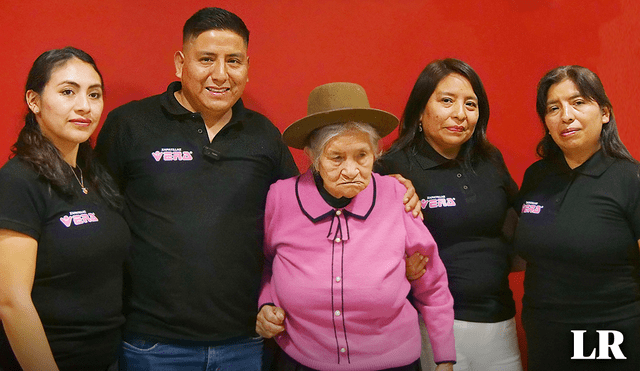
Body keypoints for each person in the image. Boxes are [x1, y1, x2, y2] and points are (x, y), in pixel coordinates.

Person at [256, 82, 456, 371]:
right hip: (302, 361)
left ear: (375, 153)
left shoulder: (397, 197)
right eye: (336, 157)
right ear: (313, 156)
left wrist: (445, 358)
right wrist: (265, 304)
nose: (351, 171)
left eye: (362, 156)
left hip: (392, 363)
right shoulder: (282, 197)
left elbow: (433, 285)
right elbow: (265, 265)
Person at [376, 59, 522, 371]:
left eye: (471, 103)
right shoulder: (393, 168)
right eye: (446, 101)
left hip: (500, 320)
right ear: (420, 110)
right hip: (430, 326)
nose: (459, 114)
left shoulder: (490, 159)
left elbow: (525, 220)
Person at [0, 47, 130, 370]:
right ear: (34, 101)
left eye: (94, 94)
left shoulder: (97, 175)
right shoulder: (18, 181)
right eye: (68, 92)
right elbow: (11, 302)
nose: (84, 106)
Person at [513, 65, 640, 370]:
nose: (566, 116)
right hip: (546, 333)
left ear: (605, 113)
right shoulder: (537, 176)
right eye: (553, 108)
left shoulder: (629, 178)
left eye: (578, 102)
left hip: (610, 336)